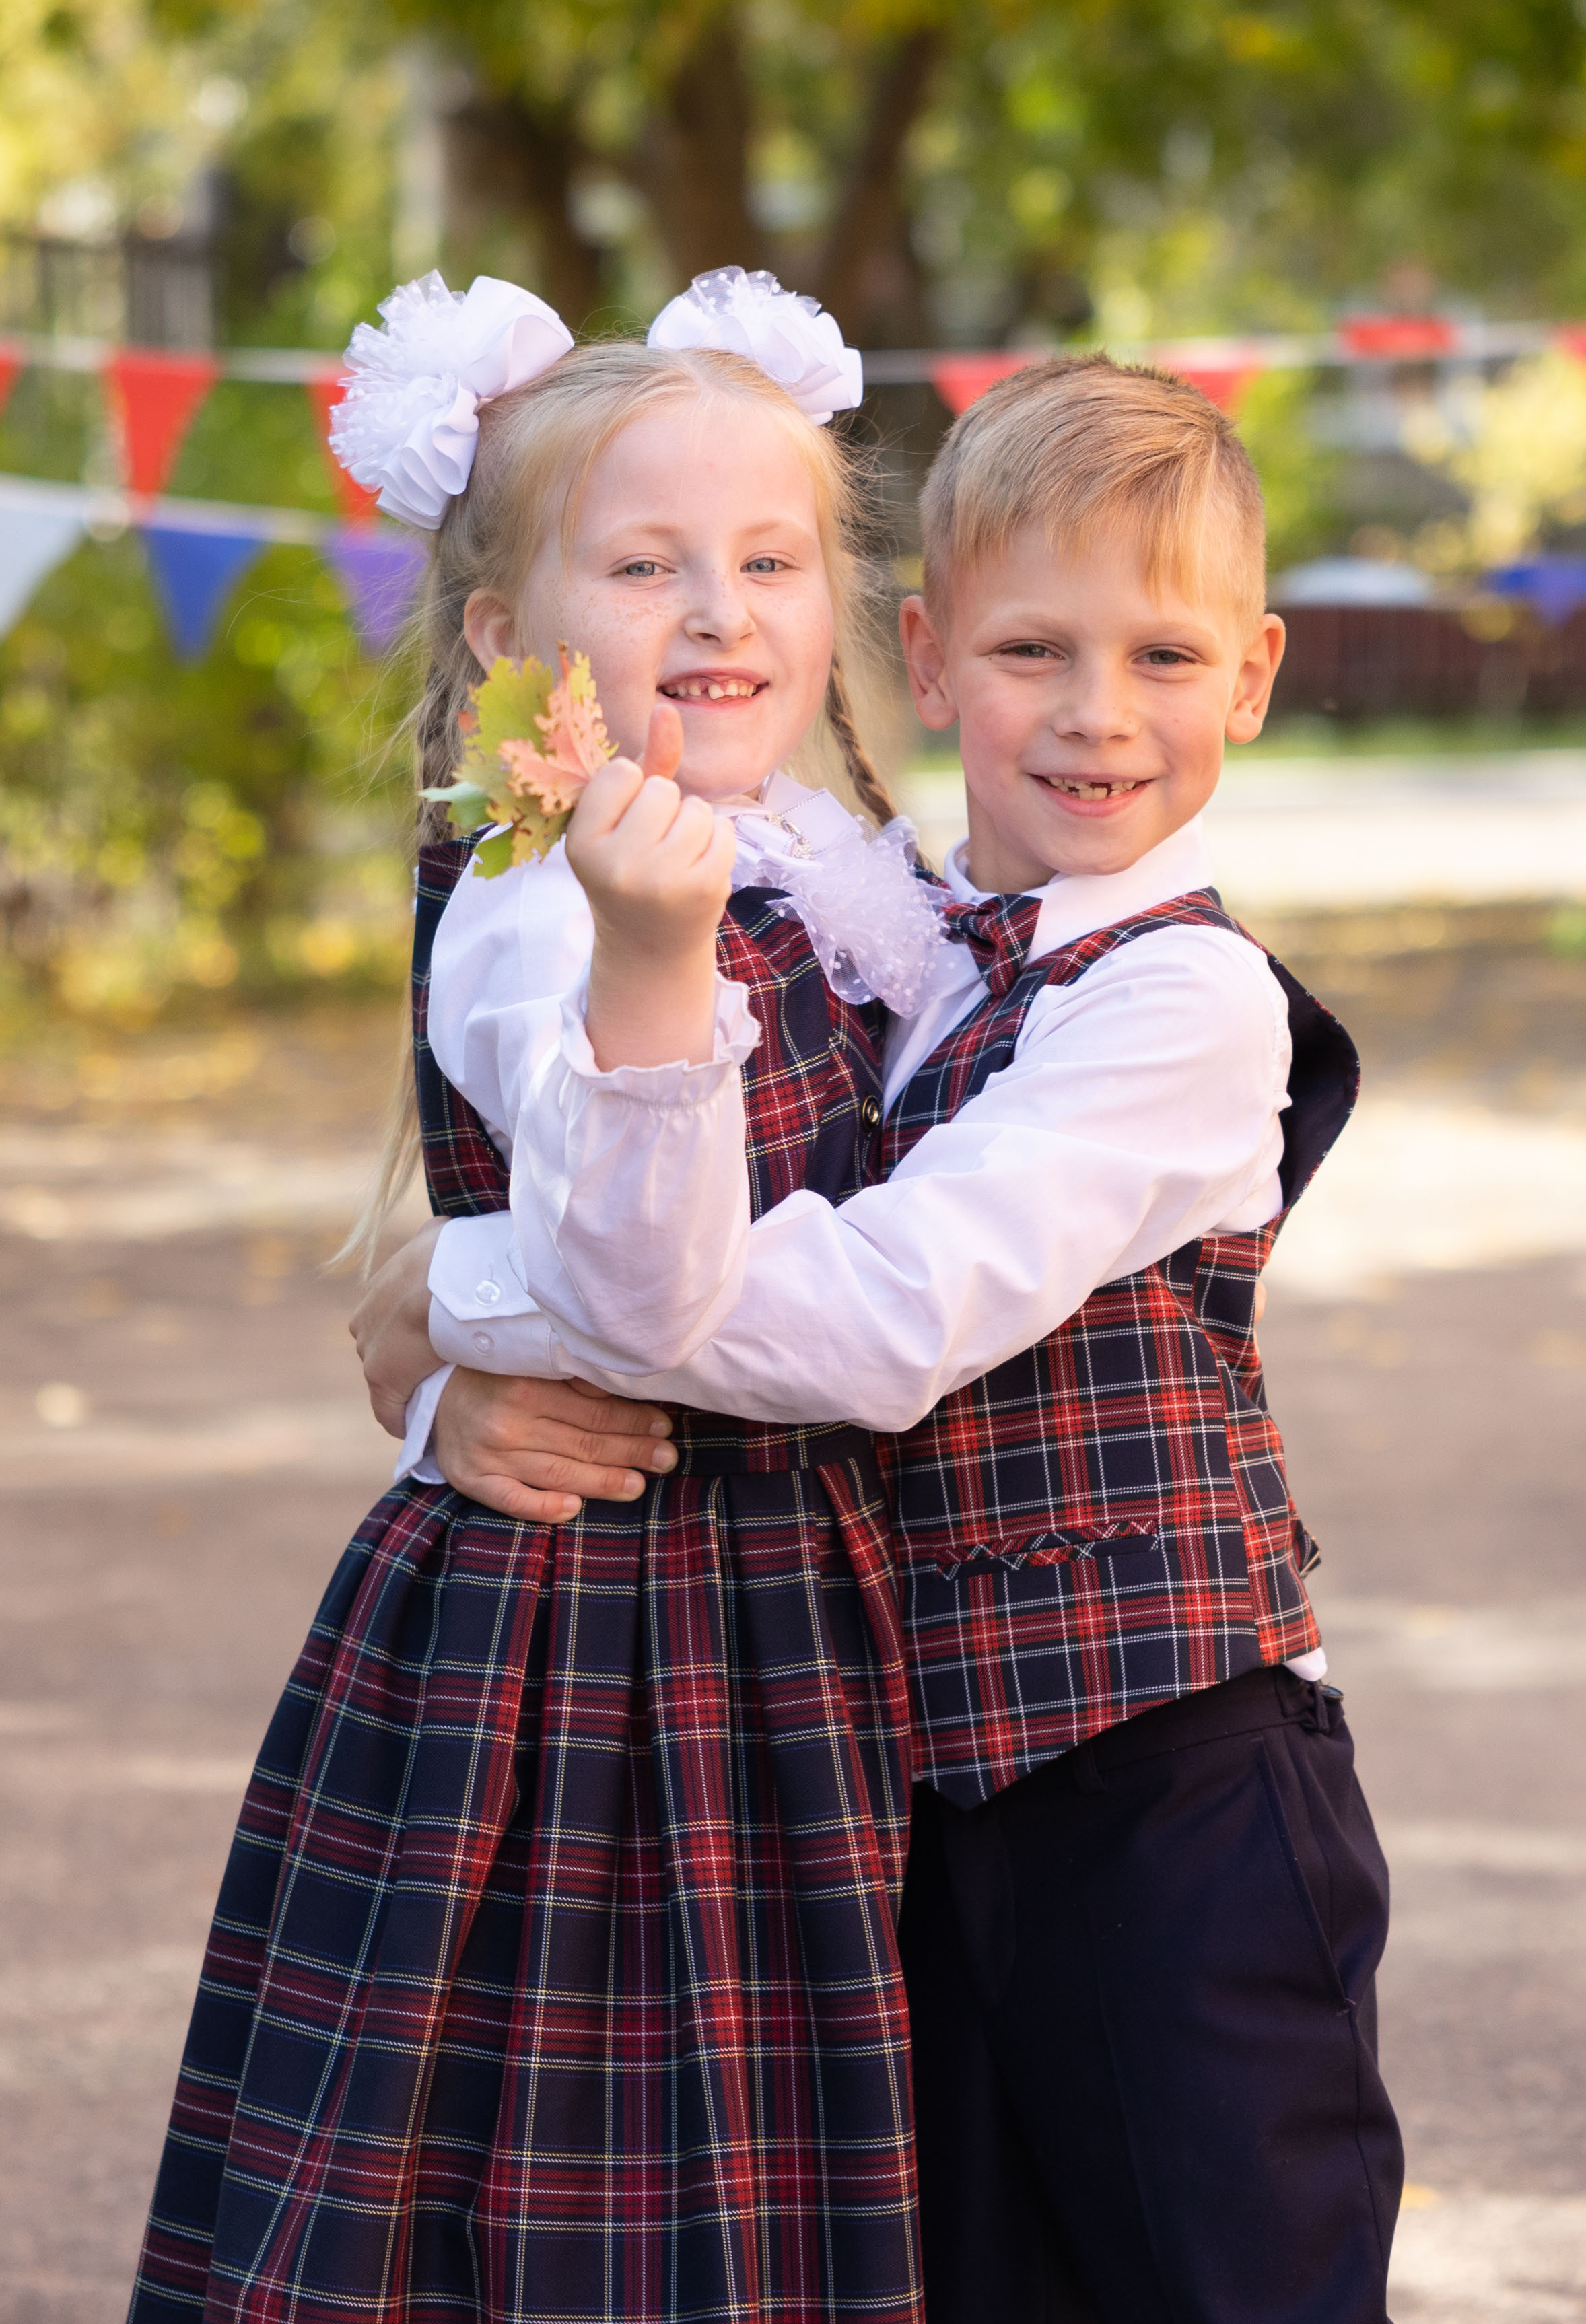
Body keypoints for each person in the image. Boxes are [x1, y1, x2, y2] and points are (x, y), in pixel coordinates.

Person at [363, 356, 1404, 2324]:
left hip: (1167, 1780)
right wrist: (454, 1324)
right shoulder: (892, 936)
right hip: (909, 1788)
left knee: (1233, 2279)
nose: (1097, 715)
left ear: (1253, 677)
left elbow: (875, 1318)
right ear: (925, 659)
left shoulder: (1184, 1008)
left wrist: (454, 1303)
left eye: (1164, 658)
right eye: (1034, 650)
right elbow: (672, 1183)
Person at [129, 267, 967, 2324]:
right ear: (505, 633)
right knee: (572, 2142)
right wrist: (475, 1331)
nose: (719, 611)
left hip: (816, 1597)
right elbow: (638, 1279)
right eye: (644, 563)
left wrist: (444, 1311)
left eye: (769, 560)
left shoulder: (844, 862)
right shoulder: (545, 894)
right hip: (595, 1615)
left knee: (810, 2124)